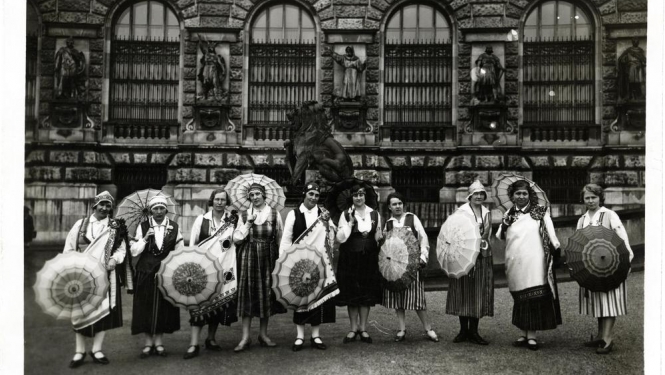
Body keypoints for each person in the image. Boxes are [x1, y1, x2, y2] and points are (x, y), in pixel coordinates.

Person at [496, 179, 562, 351]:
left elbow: (550, 232)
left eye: (524, 193)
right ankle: (523, 333)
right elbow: (499, 236)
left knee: (534, 296)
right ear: (512, 196)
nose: (521, 196)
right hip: (514, 261)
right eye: (518, 193)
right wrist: (504, 223)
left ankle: (532, 335)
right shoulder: (509, 213)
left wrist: (556, 248)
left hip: (534, 260)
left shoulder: (540, 212)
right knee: (520, 297)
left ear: (530, 195)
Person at [63, 191, 127, 368]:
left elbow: (122, 250)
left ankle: (97, 349)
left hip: (105, 276)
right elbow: (69, 248)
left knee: (103, 312)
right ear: (95, 206)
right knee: (79, 312)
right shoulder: (80, 224)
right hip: (81, 277)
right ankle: (79, 351)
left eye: (108, 206)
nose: (105, 208)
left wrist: (115, 259)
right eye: (102, 205)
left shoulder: (115, 226)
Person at [279, 182, 339, 351]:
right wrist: (284, 261)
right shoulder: (294, 214)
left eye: (317, 195)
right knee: (300, 300)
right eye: (311, 194)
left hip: (319, 264)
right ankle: (299, 337)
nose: (313, 198)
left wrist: (330, 225)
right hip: (299, 264)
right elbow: (286, 240)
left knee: (318, 300)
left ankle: (316, 335)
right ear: (304, 194)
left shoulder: (323, 214)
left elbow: (333, 236)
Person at [577, 184, 634, 354]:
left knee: (609, 300)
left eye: (593, 197)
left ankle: (608, 339)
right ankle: (601, 335)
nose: (590, 200)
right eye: (587, 198)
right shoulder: (582, 219)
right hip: (592, 266)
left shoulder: (609, 215)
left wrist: (627, 260)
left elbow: (622, 238)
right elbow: (579, 242)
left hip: (611, 264)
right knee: (598, 300)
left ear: (600, 198)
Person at [183, 189, 239, 359]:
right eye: (217, 199)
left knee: (217, 304)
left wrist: (244, 223)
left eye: (223, 200)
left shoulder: (231, 221)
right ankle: (193, 344)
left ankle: (211, 338)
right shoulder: (202, 219)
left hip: (223, 268)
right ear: (212, 201)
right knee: (199, 305)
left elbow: (237, 241)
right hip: (202, 269)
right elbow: (193, 244)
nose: (220, 202)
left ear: (226, 202)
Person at [232, 183, 286, 352]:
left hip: (268, 258)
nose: (255, 197)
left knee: (265, 295)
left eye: (257, 194)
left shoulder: (275, 214)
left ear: (264, 195)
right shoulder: (244, 215)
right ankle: (245, 337)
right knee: (248, 294)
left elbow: (280, 238)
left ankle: (263, 335)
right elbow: (236, 239)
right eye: (252, 195)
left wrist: (280, 260)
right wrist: (247, 224)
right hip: (248, 257)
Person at [130, 195, 184, 358]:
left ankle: (159, 343)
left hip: (166, 271)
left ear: (166, 210)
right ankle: (148, 344)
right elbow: (134, 251)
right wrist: (145, 239)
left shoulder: (174, 227)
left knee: (164, 306)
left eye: (162, 208)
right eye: (155, 209)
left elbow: (179, 250)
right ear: (151, 211)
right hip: (146, 271)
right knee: (145, 306)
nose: (159, 212)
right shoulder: (143, 226)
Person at [381, 192, 439, 343]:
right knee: (398, 298)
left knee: (418, 298)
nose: (398, 206)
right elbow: (385, 246)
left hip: (412, 266)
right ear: (389, 207)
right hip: (396, 268)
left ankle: (428, 329)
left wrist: (423, 257)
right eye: (394, 204)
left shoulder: (412, 218)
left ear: (403, 204)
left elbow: (423, 238)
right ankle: (401, 329)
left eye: (400, 203)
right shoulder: (388, 224)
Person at [445, 180, 494, 345]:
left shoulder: (486, 212)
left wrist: (481, 243)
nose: (479, 197)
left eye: (481, 194)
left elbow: (488, 235)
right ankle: (463, 330)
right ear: (470, 196)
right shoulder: (461, 212)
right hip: (463, 257)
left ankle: (474, 330)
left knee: (477, 292)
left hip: (481, 257)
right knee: (463, 292)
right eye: (476, 194)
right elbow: (453, 232)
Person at [335, 184, 382, 344]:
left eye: (361, 194)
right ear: (352, 197)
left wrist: (380, 237)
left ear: (365, 196)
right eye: (355, 195)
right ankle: (353, 328)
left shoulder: (375, 213)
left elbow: (377, 236)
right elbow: (340, 238)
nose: (358, 197)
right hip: (350, 258)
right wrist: (350, 223)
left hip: (369, 258)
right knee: (352, 294)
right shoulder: (346, 214)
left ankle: (363, 328)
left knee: (366, 294)